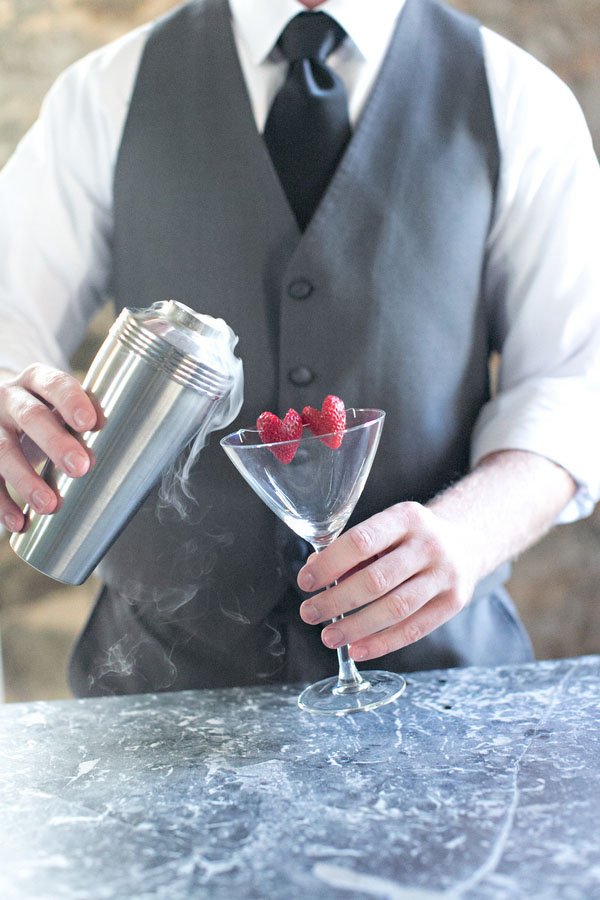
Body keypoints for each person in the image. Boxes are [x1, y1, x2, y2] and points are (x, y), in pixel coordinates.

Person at [0, 0, 599, 696]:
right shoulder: (103, 93)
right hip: (160, 701)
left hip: (439, 694)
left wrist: (470, 533)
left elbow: (575, 380)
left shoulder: (516, 97)